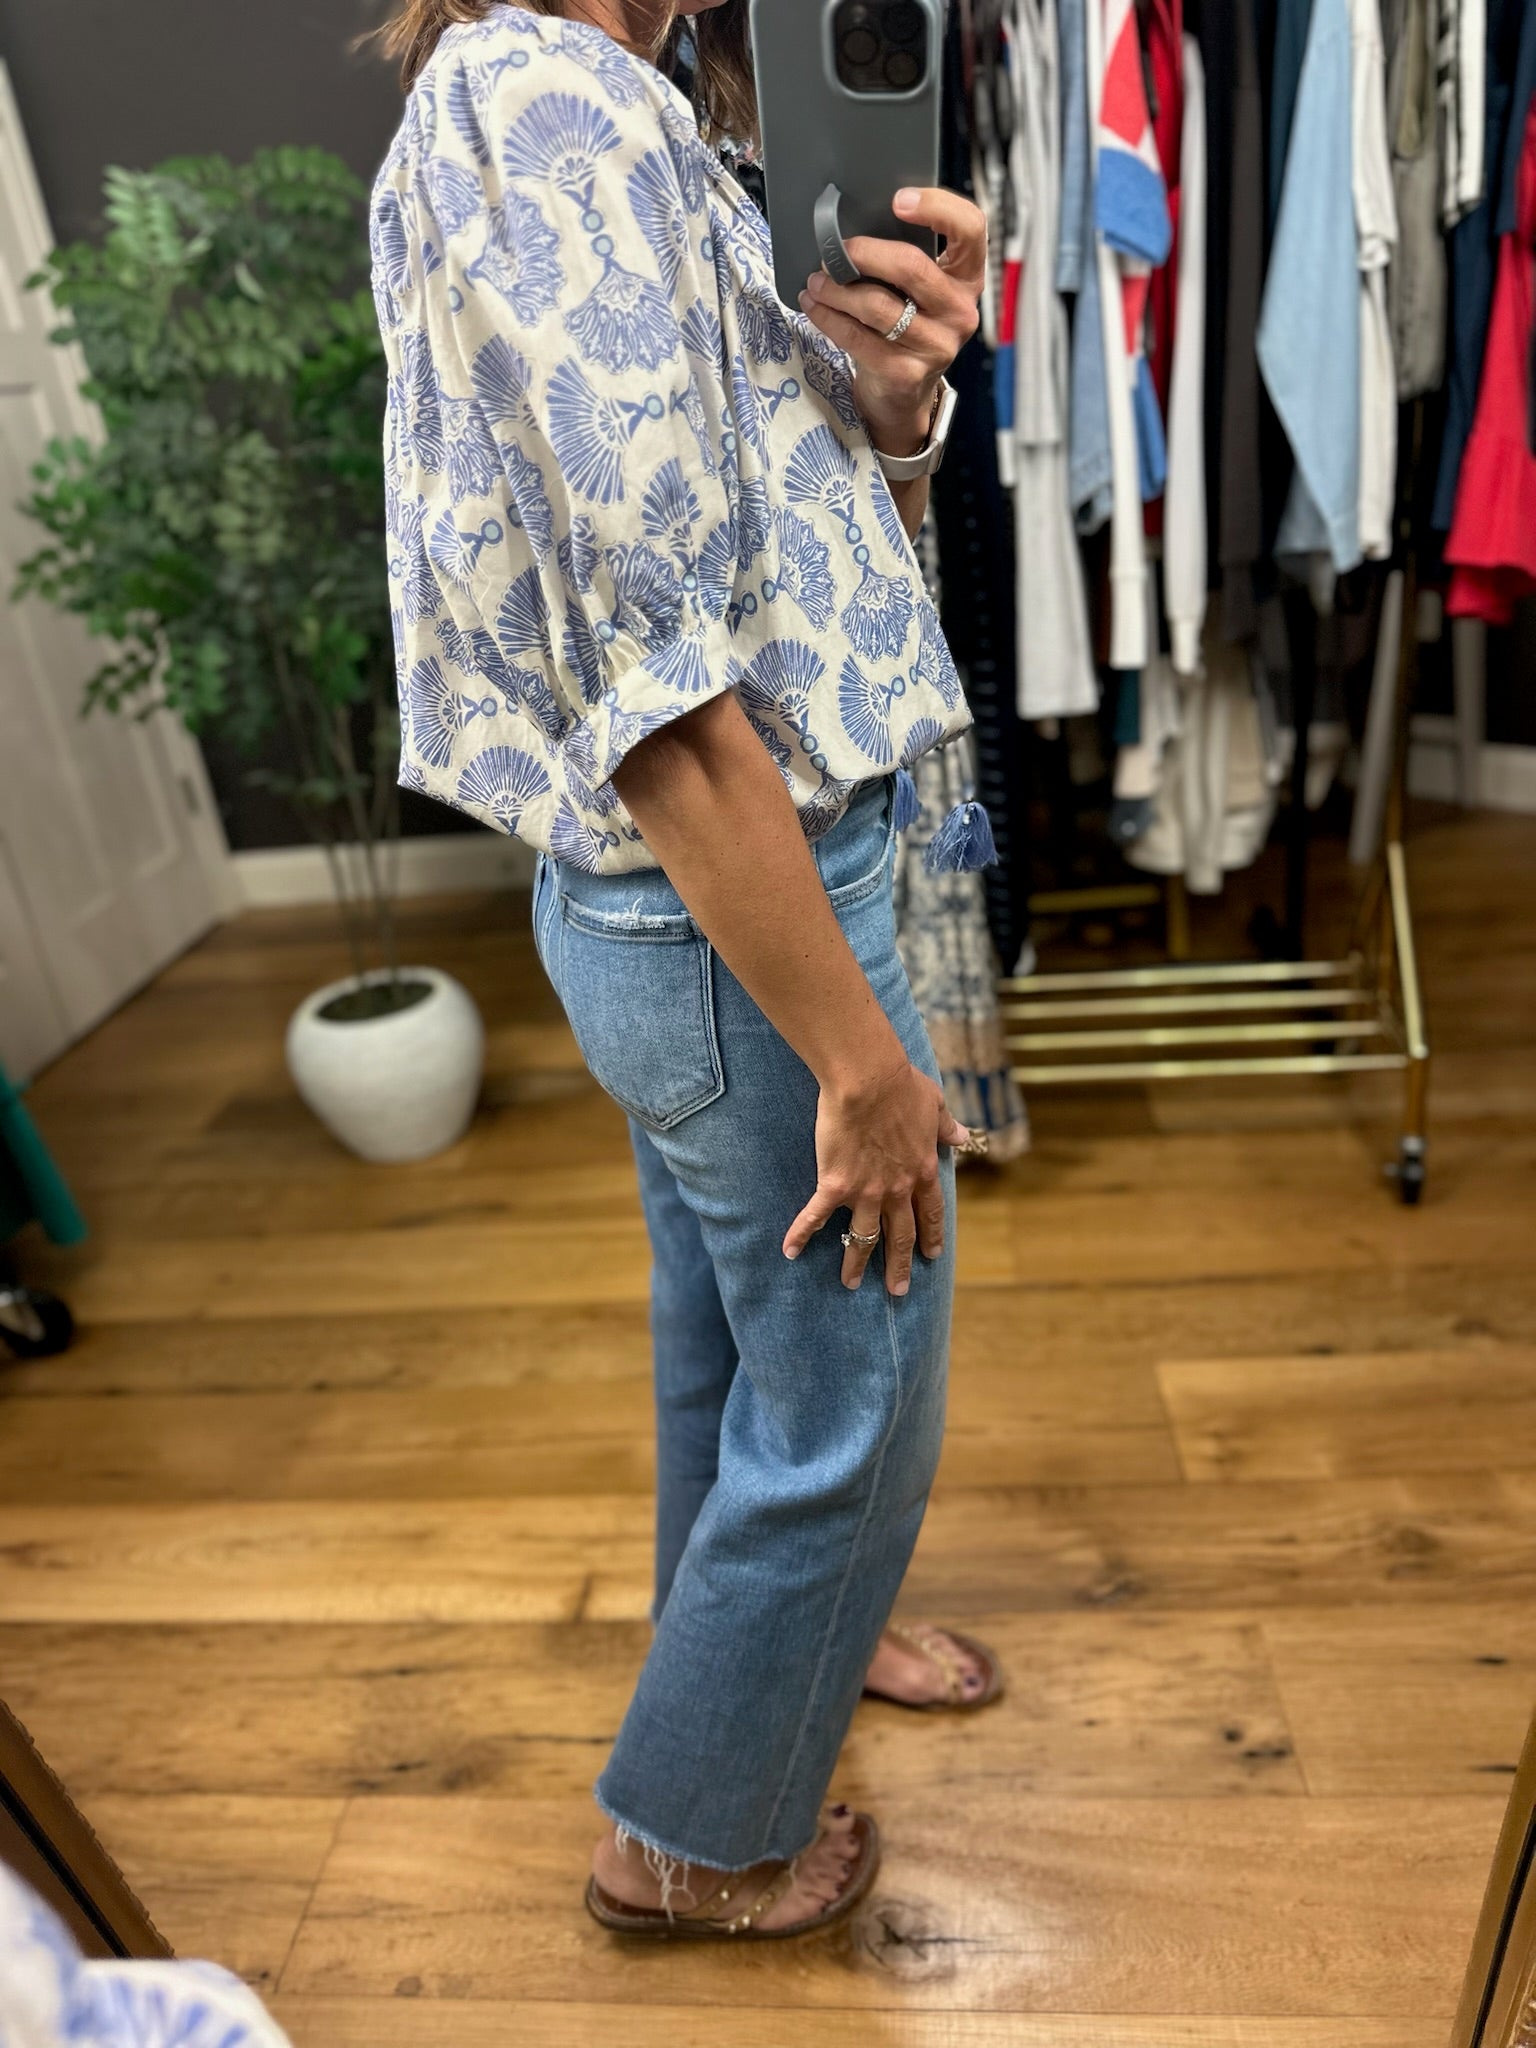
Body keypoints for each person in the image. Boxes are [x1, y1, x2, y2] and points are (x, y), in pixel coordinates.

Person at [369, 0, 1001, 1939]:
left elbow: (786, 561)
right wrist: (864, 1061)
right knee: (854, 1396)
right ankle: (691, 1841)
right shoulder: (542, 105)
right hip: (742, 906)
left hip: (707, 902)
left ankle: (786, 1655)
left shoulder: (609, 105)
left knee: (735, 1351)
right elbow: (660, 695)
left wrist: (890, 412)